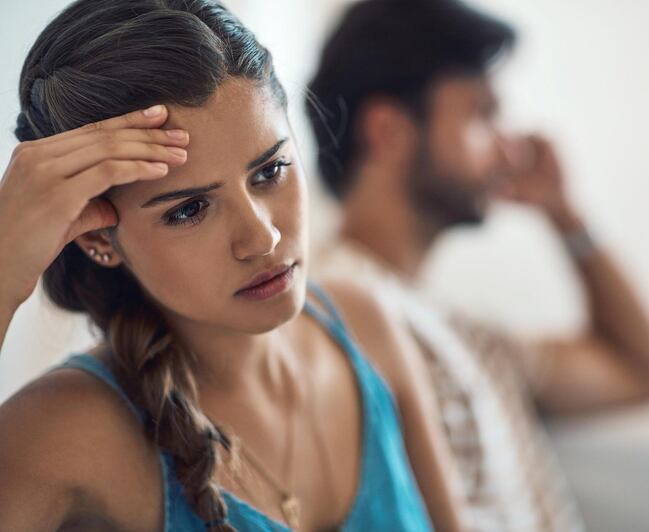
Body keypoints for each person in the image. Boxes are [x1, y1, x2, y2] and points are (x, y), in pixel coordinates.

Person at [0, 1, 464, 530]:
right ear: (97, 240)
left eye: (270, 171)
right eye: (189, 209)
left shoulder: (366, 325)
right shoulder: (63, 437)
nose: (261, 237)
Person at [307, 0, 649, 530]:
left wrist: (567, 216)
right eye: (482, 114)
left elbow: (641, 372)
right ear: (388, 130)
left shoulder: (462, 328)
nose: (508, 148)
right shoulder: (335, 310)